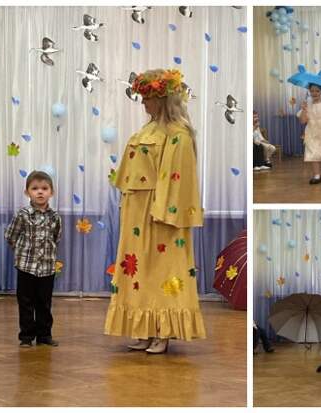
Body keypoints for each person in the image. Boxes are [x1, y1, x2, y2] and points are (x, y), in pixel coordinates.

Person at [104, 68, 206, 354]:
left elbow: (177, 178)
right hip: (137, 212)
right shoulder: (147, 131)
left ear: (162, 99)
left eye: (148, 98)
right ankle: (145, 329)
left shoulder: (178, 134)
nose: (144, 103)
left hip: (159, 212)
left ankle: (164, 331)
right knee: (139, 272)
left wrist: (163, 211)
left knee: (163, 271)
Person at [5, 171, 62, 347]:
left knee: (44, 303)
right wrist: (21, 252)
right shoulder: (22, 214)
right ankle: (26, 336)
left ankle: (44, 336)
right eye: (35, 188)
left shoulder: (55, 216)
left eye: (44, 188)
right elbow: (11, 235)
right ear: (27, 192)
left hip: (47, 268)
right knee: (26, 302)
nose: (40, 192)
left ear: (51, 192)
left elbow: (56, 237)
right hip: (26, 267)